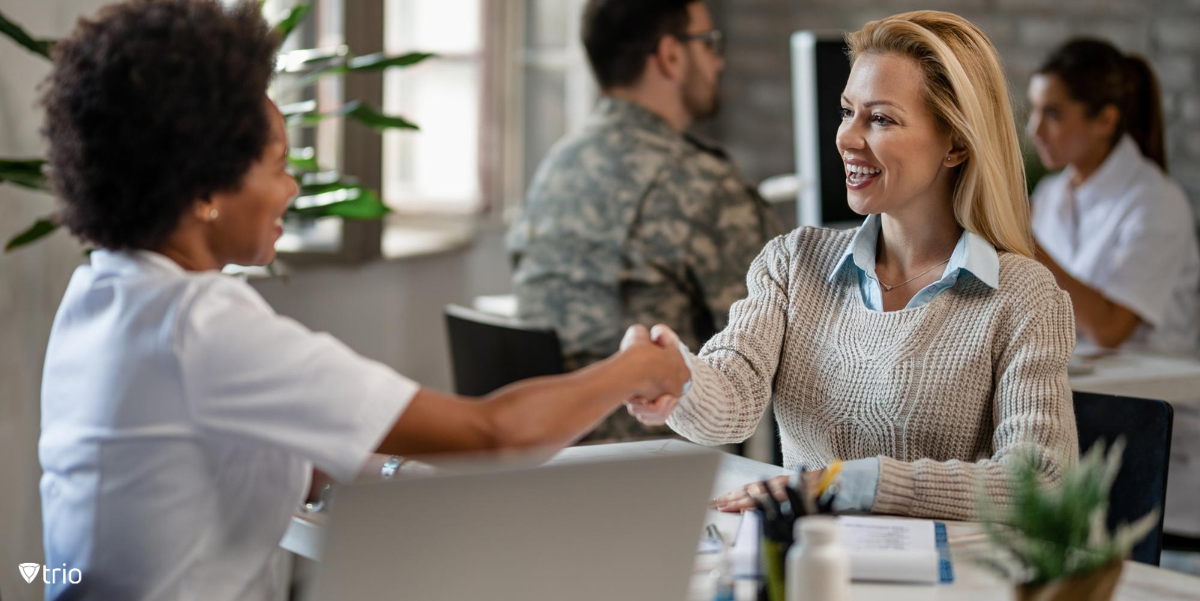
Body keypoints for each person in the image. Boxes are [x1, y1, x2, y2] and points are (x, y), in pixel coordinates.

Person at [36, 2, 688, 599]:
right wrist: (638, 367)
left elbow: (258, 459)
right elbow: (494, 432)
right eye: (276, 163)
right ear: (205, 187)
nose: (292, 187)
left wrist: (390, 474)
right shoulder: (200, 323)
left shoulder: (104, 291)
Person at [625, 11, 1079, 520]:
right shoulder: (793, 262)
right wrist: (676, 378)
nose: (846, 138)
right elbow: (732, 398)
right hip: (809, 568)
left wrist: (846, 483)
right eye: (847, 112)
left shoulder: (1021, 295)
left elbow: (1042, 482)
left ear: (955, 143)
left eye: (880, 119)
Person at [505, 0, 783, 442]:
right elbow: (777, 343)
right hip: (653, 461)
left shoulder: (559, 163)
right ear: (671, 55)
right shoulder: (700, 181)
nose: (719, 60)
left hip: (549, 447)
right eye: (708, 44)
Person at [1027, 38, 1199, 353]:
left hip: (1150, 395)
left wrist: (1024, 241)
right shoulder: (1051, 194)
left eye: (1052, 114)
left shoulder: (1157, 202)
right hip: (1078, 388)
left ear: (1106, 120)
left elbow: (1110, 330)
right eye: (1034, 110)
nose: (1034, 130)